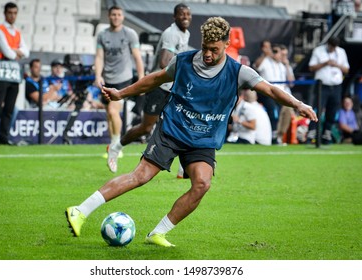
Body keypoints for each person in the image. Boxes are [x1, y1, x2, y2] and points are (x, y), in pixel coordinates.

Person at [66, 17, 317, 247]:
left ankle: (157, 233)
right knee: (140, 176)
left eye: (214, 49)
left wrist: (298, 104)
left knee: (202, 184)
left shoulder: (238, 72)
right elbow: (155, 79)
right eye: (205, 47)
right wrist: (121, 93)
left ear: (227, 45)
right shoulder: (184, 61)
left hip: (203, 138)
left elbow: (271, 90)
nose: (208, 54)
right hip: (172, 129)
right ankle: (80, 210)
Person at [107, 3, 192, 174]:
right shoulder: (171, 34)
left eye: (188, 14)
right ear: (174, 17)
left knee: (183, 122)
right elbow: (164, 63)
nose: (185, 17)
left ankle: (183, 168)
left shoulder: (186, 33)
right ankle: (116, 147)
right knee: (146, 128)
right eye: (182, 14)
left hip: (174, 88)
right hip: (159, 86)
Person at [95, 5, 145, 172]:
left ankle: (116, 146)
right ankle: (113, 144)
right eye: (113, 15)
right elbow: (100, 56)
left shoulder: (129, 33)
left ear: (122, 17)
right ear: (109, 17)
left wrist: (142, 78)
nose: (116, 17)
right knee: (109, 114)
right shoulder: (102, 35)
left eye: (119, 15)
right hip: (107, 79)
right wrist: (98, 75)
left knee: (112, 110)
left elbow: (137, 57)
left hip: (124, 79)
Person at [0, 2, 30, 145]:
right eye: (10, 13)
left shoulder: (17, 32)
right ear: (5, 13)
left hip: (14, 74)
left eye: (15, 13)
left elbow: (26, 52)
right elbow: (8, 53)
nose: (12, 16)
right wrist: (17, 51)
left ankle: (3, 138)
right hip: (1, 73)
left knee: (9, 108)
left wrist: (15, 51)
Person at [306, 36, 350, 144]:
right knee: (318, 109)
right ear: (328, 44)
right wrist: (325, 63)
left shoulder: (341, 52)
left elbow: (346, 69)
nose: (333, 49)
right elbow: (311, 68)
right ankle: (312, 133)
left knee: (332, 110)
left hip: (336, 86)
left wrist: (337, 65)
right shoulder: (318, 51)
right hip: (322, 86)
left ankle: (327, 134)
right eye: (331, 47)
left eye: (335, 47)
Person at [255, 44, 285, 142]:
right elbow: (257, 66)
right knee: (273, 113)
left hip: (281, 92)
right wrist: (266, 55)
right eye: (274, 51)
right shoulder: (265, 61)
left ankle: (278, 135)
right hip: (267, 92)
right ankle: (272, 136)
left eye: (278, 52)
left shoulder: (281, 65)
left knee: (281, 114)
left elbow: (290, 80)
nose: (276, 54)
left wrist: (287, 64)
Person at [275, 44, 296, 145]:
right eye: (282, 55)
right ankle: (275, 136)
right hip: (277, 95)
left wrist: (287, 65)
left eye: (286, 55)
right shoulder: (275, 64)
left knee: (287, 114)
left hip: (287, 95)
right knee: (279, 115)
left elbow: (291, 82)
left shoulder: (286, 66)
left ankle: (280, 136)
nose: (284, 57)